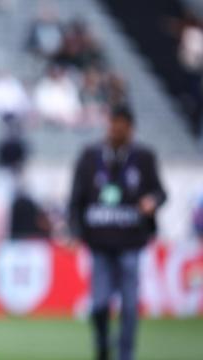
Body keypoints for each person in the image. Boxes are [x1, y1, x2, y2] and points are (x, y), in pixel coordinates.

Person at [68, 104, 166, 360]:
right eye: (113, 123)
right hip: (99, 241)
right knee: (99, 304)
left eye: (121, 124)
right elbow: (76, 198)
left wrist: (152, 202)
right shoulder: (90, 155)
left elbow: (160, 192)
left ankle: (126, 354)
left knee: (130, 305)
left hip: (131, 241)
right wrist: (74, 229)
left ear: (130, 128)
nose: (116, 129)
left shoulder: (143, 156)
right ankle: (102, 346)